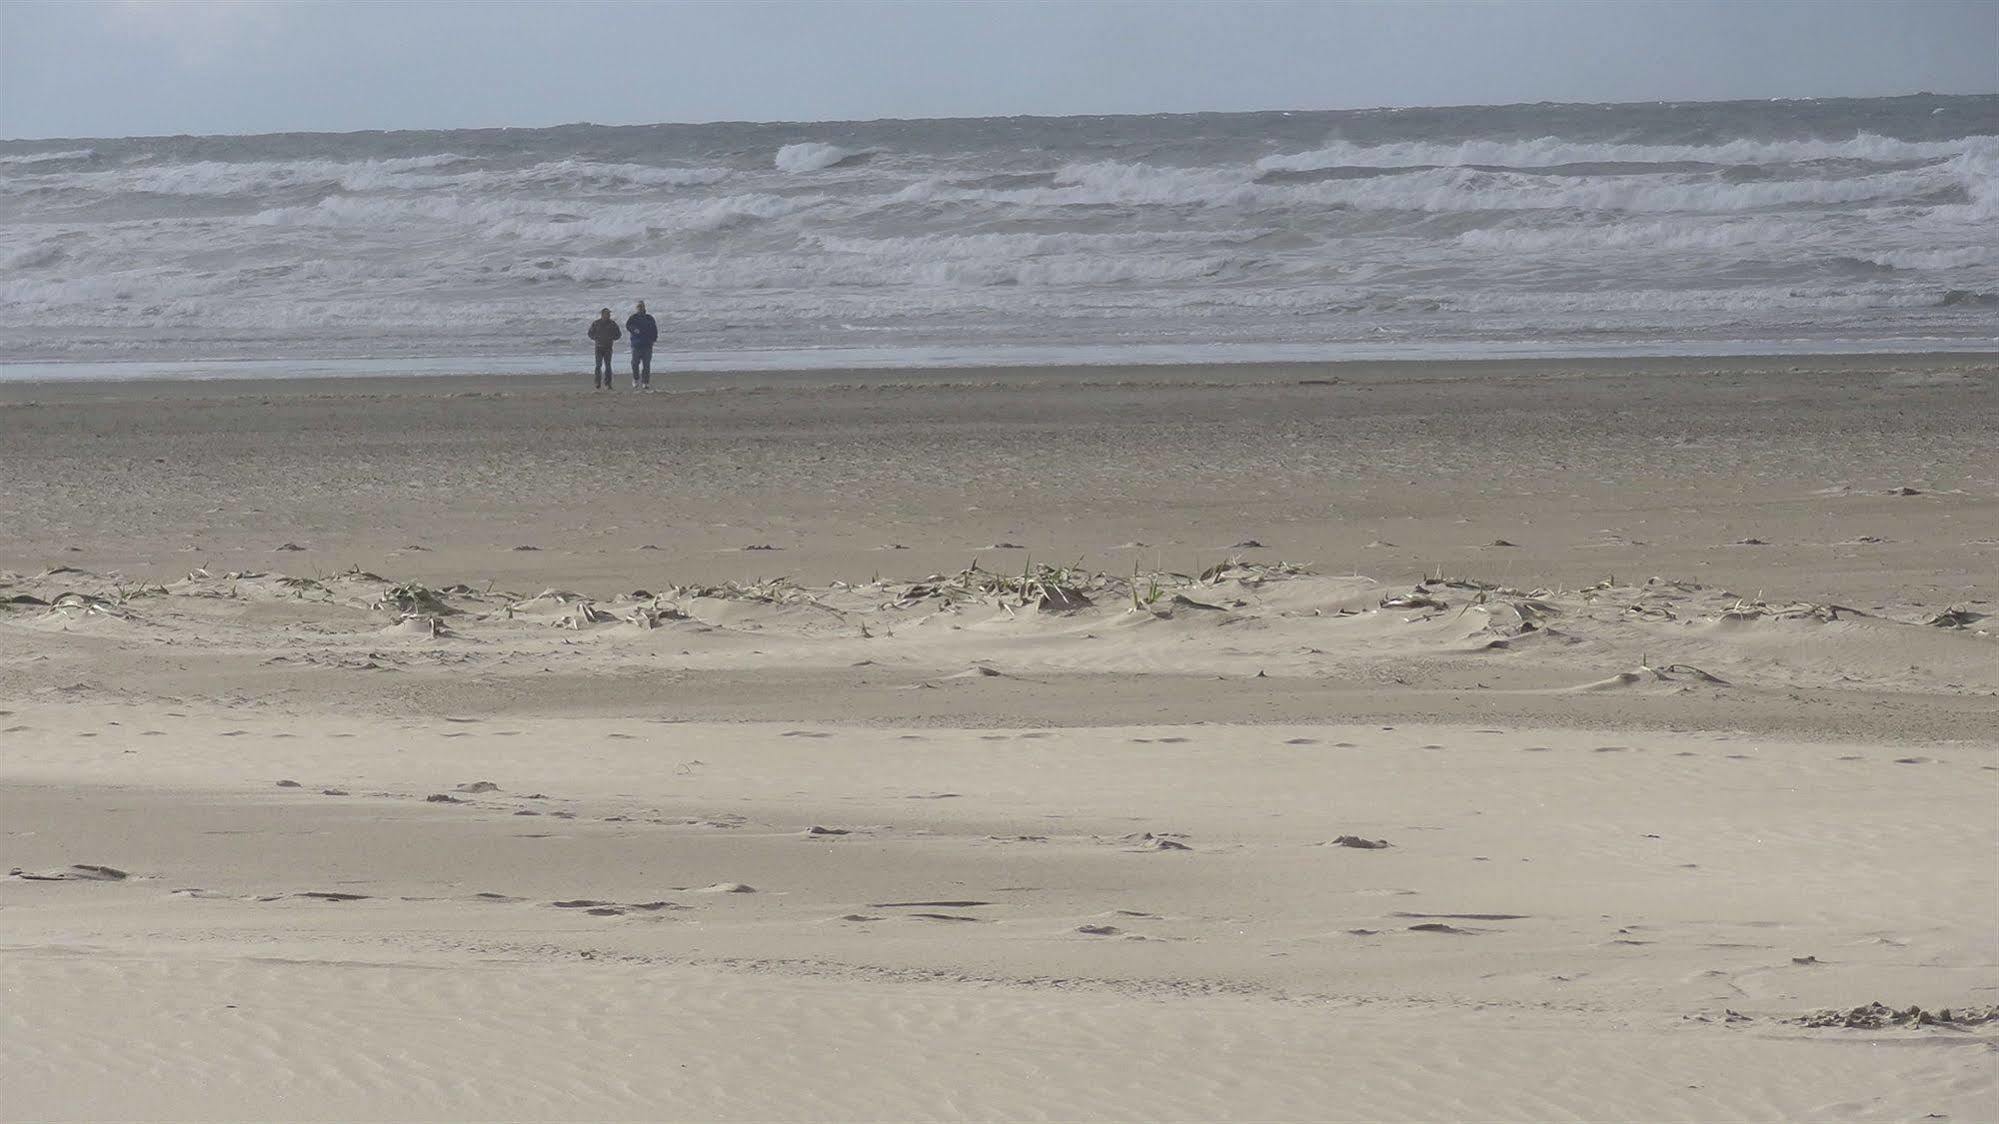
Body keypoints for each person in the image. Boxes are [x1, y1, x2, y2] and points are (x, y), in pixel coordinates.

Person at [625, 301, 658, 390]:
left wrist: (654, 339)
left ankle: (645, 382)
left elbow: (654, 329)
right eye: (638, 307)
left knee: (646, 365)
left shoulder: (649, 318)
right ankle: (636, 379)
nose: (640, 308)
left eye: (641, 306)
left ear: (644, 307)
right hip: (636, 344)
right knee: (635, 363)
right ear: (636, 308)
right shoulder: (633, 317)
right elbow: (628, 325)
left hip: (647, 345)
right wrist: (634, 329)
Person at [587, 308, 620, 389]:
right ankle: (597, 383)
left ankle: (608, 384)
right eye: (606, 314)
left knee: (608, 366)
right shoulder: (596, 323)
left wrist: (612, 338)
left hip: (608, 347)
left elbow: (618, 334)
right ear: (602, 315)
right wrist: (595, 338)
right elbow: (590, 333)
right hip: (598, 347)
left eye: (609, 314)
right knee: (598, 365)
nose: (608, 315)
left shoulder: (612, 324)